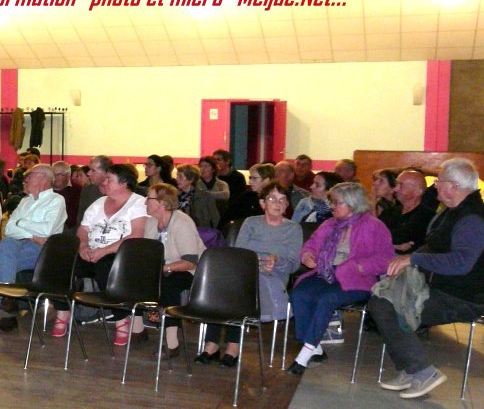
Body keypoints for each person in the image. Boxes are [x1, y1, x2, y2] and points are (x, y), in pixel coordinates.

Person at [369, 157, 483, 400]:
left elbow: (461, 263)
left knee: (390, 305)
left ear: (453, 186)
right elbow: (434, 246)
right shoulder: (453, 212)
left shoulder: (472, 219)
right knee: (382, 300)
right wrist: (410, 257)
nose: (435, 186)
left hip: (462, 297)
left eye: (439, 181)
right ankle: (410, 370)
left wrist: (414, 259)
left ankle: (421, 372)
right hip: (441, 287)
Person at [286, 182, 393, 376]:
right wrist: (307, 255)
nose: (332, 206)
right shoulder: (329, 224)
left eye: (337, 202)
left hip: (357, 279)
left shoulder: (374, 226)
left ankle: (305, 353)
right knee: (298, 294)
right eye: (332, 202)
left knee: (326, 299)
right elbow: (311, 245)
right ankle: (315, 347)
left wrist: (359, 266)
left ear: (352, 204)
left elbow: (386, 259)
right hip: (326, 273)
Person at [196, 183, 302, 367]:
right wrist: (254, 260)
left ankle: (231, 347)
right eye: (272, 199)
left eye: (282, 200)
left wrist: (277, 260)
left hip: (273, 277)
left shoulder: (293, 229)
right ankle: (212, 344)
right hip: (246, 271)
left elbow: (294, 265)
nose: (277, 203)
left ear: (287, 205)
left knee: (238, 289)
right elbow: (239, 253)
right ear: (262, 203)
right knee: (219, 285)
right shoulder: (251, 222)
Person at [50, 164, 149, 344]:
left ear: (124, 183)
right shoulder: (98, 203)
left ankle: (121, 319)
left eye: (109, 179)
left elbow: (136, 235)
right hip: (92, 251)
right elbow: (83, 229)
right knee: (61, 264)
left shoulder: (138, 203)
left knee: (106, 267)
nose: (104, 182)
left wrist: (104, 251)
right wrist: (83, 246)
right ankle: (63, 311)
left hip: (121, 254)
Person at [0, 164, 67, 330]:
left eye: (29, 176)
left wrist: (20, 222)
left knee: (0, 259)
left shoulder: (56, 200)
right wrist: (31, 236)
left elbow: (46, 230)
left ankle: (6, 303)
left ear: (43, 178)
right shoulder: (25, 201)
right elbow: (8, 229)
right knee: (6, 243)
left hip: (44, 251)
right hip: (22, 245)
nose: (25, 180)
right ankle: (7, 302)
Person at [144, 182, 205, 359]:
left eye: (149, 198)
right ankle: (137, 329)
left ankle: (172, 343)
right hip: (162, 269)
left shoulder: (182, 223)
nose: (145, 202)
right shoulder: (151, 222)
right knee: (136, 277)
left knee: (168, 283)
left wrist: (164, 268)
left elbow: (190, 262)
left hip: (191, 271)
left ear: (162, 203)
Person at [379, 170, 436, 253]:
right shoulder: (389, 212)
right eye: (396, 184)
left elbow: (404, 238)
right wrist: (394, 245)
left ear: (418, 191)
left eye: (401, 185)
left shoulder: (426, 216)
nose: (395, 189)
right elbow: (373, 234)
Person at [175, 163, 219, 229]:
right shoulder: (173, 195)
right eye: (177, 176)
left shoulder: (205, 197)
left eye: (180, 177)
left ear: (191, 179)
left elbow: (215, 218)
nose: (176, 179)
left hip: (199, 230)